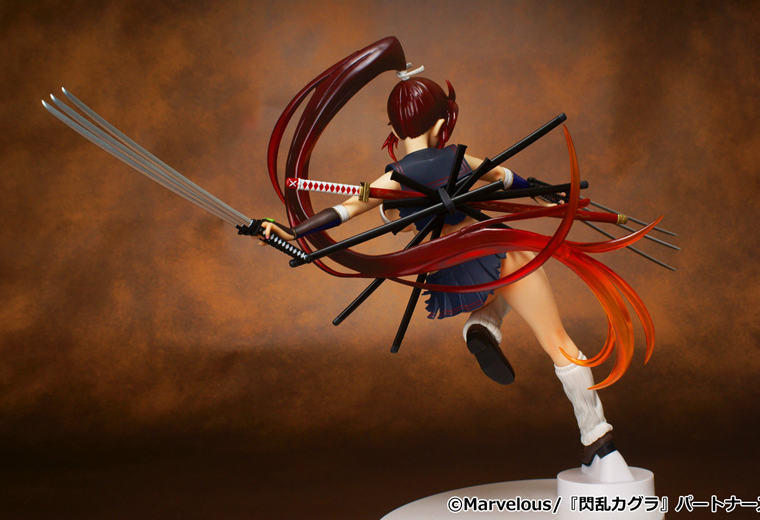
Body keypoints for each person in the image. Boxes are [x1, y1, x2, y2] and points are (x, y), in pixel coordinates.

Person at [259, 37, 638, 482]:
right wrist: (550, 193)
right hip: (494, 250)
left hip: (448, 269)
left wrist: (292, 232)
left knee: (511, 282)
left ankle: (485, 324)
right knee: (557, 338)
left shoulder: (392, 179)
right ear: (442, 125)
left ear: (394, 130)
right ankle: (599, 442)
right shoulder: (459, 159)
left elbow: (341, 211)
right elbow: (509, 179)